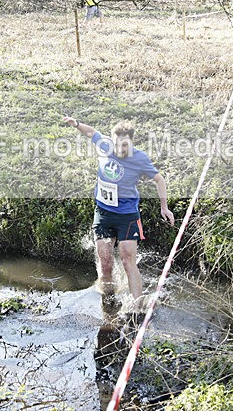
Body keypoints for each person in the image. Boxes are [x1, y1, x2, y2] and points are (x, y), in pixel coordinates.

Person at [63, 117, 175, 312]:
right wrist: (77, 124)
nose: (120, 149)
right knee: (105, 262)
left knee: (126, 260)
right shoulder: (105, 145)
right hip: (104, 213)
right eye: (116, 144)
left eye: (124, 145)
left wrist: (164, 207)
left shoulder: (139, 158)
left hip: (127, 216)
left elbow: (159, 180)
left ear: (131, 142)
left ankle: (138, 306)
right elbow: (91, 132)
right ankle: (109, 303)